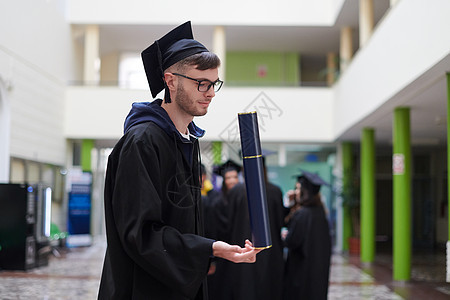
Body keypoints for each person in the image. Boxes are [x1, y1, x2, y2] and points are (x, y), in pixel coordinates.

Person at [98, 21, 260, 300]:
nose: (210, 93)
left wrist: (210, 248)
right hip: (143, 288)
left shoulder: (186, 140)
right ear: (170, 81)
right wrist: (209, 249)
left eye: (214, 84)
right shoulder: (143, 142)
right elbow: (141, 233)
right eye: (201, 83)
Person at [214, 156, 286, 300]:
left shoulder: (236, 192)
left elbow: (228, 224)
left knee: (244, 287)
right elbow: (280, 222)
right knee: (268, 288)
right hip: (269, 251)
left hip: (243, 249)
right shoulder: (275, 191)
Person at [283, 170, 332, 300]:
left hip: (301, 270)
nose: (296, 191)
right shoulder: (321, 212)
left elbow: (291, 241)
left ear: (306, 191)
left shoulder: (302, 214)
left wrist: (285, 237)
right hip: (317, 268)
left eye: (299, 188)